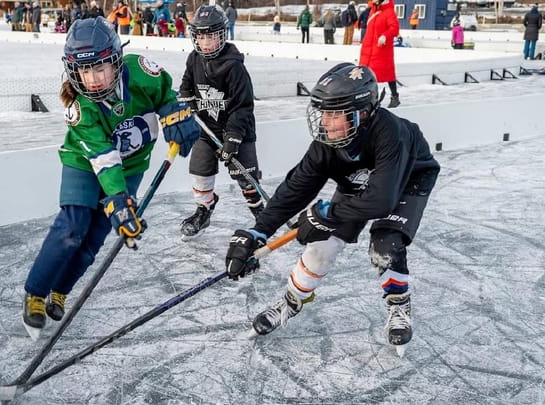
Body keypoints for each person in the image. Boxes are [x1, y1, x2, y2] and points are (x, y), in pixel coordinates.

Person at [224, 63, 440, 355]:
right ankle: (292, 299)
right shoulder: (328, 142)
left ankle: (398, 303)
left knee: (385, 245)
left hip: (406, 181)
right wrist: (258, 230)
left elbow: (381, 200)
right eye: (323, 113)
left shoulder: (392, 134)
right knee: (320, 246)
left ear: (362, 114)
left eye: (334, 114)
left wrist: (328, 214)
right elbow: (296, 188)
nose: (324, 122)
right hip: (362, 183)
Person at [21, 17, 200, 338]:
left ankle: (60, 290)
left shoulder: (141, 72)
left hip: (131, 166)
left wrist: (176, 112)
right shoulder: (82, 108)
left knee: (94, 238)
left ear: (117, 60)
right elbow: (103, 160)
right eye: (84, 72)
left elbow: (165, 95)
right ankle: (35, 293)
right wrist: (118, 199)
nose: (92, 80)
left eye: (100, 69)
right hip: (85, 163)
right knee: (73, 228)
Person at [177, 5, 263, 238]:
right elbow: (186, 87)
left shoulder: (234, 66)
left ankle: (261, 215)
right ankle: (204, 208)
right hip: (206, 131)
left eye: (211, 36)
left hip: (237, 130)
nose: (206, 42)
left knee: (246, 178)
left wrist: (233, 138)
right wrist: (185, 101)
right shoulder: (193, 59)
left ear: (222, 35)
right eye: (201, 36)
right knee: (199, 171)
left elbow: (243, 106)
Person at [359, 0, 400, 108]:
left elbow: (394, 28)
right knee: (367, 74)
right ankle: (371, 99)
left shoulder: (389, 11)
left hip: (381, 49)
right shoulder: (373, 10)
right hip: (368, 48)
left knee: (387, 73)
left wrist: (385, 35)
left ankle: (395, 96)